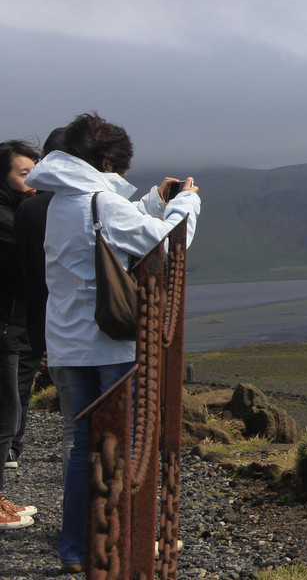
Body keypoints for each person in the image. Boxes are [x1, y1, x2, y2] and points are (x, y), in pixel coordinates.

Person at [24, 113, 201, 572]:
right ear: (104, 160)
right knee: (128, 447)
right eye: (119, 165)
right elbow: (165, 247)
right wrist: (187, 205)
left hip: (67, 344)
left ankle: (77, 548)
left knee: (84, 447)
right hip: (112, 346)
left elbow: (106, 237)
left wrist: (150, 202)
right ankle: (124, 545)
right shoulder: (100, 200)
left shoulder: (62, 201)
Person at [11, 128, 66, 469]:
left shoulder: (28, 209)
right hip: (72, 306)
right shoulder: (90, 202)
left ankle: (12, 443)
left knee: (22, 372)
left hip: (29, 302)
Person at [0, 139, 41, 529]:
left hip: (11, 325)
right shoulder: (6, 220)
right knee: (5, 412)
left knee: (9, 410)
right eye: (23, 174)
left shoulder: (13, 212)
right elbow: (22, 267)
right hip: (4, 326)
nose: (31, 182)